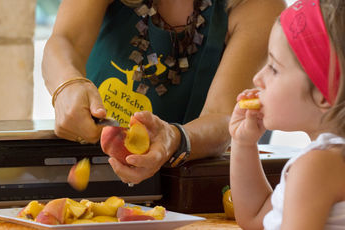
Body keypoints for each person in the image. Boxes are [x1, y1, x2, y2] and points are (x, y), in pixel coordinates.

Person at [42, 0, 285, 185]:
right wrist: (67, 85)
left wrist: (173, 139)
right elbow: (63, 41)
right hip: (79, 173)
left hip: (184, 185)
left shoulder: (260, 6)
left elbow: (223, 116)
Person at [229, 0, 345, 229]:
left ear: (324, 92)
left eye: (273, 68)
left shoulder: (317, 166)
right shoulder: (326, 161)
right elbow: (254, 217)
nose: (257, 78)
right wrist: (244, 143)